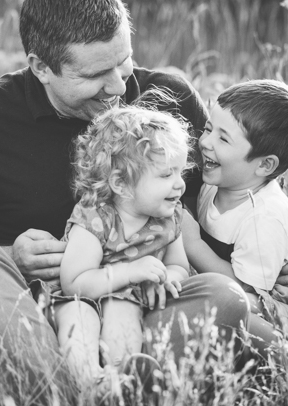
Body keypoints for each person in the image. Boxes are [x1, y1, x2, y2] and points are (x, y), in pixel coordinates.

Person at [0, 0, 288, 399]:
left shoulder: (168, 99)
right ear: (41, 67)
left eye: (124, 62)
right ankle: (69, 386)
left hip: (141, 311)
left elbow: (223, 194)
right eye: (98, 74)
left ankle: (89, 386)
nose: (120, 87)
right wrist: (14, 256)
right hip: (31, 314)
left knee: (223, 296)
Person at [183, 79, 288, 359]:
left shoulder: (265, 217)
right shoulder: (216, 183)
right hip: (265, 305)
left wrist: (192, 244)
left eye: (223, 138)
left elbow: (242, 291)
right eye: (208, 128)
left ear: (265, 165)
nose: (204, 142)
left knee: (232, 314)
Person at [56, 105, 192, 387]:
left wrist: (167, 279)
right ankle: (88, 382)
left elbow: (179, 265)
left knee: (122, 309)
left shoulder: (169, 219)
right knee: (79, 318)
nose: (179, 185)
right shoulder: (96, 218)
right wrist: (131, 272)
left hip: (126, 299)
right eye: (167, 175)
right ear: (121, 183)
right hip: (81, 299)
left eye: (181, 172)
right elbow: (74, 283)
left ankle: (121, 381)